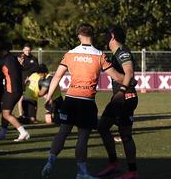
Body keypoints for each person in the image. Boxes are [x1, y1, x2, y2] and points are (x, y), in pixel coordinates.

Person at [41, 24, 125, 179]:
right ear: (92, 36)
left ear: (79, 35)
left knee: (63, 132)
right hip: (86, 101)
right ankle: (81, 172)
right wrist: (130, 80)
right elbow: (116, 77)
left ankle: (50, 161)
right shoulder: (99, 55)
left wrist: (48, 96)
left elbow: (57, 76)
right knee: (82, 137)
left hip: (71, 99)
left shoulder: (70, 54)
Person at [96, 25, 139, 179]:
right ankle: (113, 163)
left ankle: (132, 171)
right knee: (103, 127)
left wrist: (121, 91)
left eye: (106, 35)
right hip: (120, 98)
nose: (105, 38)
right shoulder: (115, 54)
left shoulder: (122, 52)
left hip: (125, 97)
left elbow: (129, 72)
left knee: (125, 135)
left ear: (113, 36)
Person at [0, 46, 30, 141]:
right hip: (15, 89)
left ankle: (23, 132)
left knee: (6, 114)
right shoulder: (12, 58)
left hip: (12, 90)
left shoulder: (7, 59)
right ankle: (2, 133)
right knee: (5, 111)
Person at [17, 42, 39, 119]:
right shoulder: (20, 58)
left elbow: (36, 70)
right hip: (21, 80)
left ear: (31, 50)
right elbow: (16, 69)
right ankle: (21, 115)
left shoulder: (34, 59)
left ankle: (33, 116)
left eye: (29, 50)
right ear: (23, 50)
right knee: (20, 98)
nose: (27, 51)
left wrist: (30, 78)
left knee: (33, 98)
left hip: (31, 82)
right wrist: (19, 63)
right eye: (26, 50)